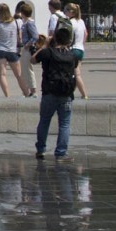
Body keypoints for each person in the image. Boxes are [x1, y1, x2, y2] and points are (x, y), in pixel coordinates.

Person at [32, 24, 78, 159]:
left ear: (55, 39)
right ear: (69, 40)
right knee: (64, 124)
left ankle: (41, 149)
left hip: (49, 92)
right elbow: (75, 71)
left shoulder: (47, 52)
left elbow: (32, 60)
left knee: (44, 121)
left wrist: (45, 45)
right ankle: (61, 153)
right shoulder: (72, 55)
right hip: (66, 93)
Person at [0, 3, 30, 97]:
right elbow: (19, 36)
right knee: (19, 75)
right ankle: (27, 93)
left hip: (0, 49)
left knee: (2, 74)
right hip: (12, 50)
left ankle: (7, 95)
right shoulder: (16, 22)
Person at [66, 3, 89, 100]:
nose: (65, 12)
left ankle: (84, 95)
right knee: (75, 73)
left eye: (66, 10)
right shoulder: (81, 21)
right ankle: (70, 93)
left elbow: (69, 37)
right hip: (80, 49)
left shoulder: (70, 22)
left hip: (73, 49)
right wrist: (82, 44)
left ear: (71, 12)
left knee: (76, 74)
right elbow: (85, 34)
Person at [16, 1, 39, 97]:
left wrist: (27, 45)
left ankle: (33, 90)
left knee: (28, 69)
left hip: (28, 49)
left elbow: (35, 36)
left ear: (23, 13)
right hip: (26, 48)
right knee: (25, 70)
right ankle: (28, 90)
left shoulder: (29, 23)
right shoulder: (26, 22)